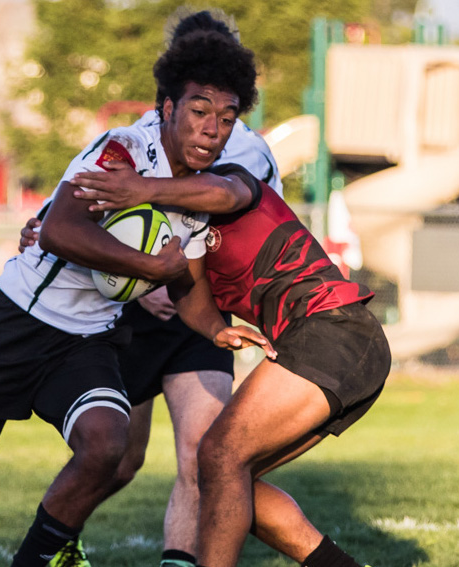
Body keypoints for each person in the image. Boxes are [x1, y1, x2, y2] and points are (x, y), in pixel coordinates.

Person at [0, 22, 269, 567]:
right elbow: (60, 231)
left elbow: (184, 281)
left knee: (107, 443)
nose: (212, 129)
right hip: (15, 323)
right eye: (199, 111)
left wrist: (217, 327)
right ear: (166, 108)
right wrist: (148, 264)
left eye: (226, 117)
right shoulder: (123, 151)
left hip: (87, 340)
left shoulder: (200, 187)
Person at [44, 158, 389, 567]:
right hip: (334, 344)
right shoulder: (177, 230)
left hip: (334, 328)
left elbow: (224, 192)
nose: (212, 131)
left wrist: (141, 187)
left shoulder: (231, 181)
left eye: (224, 118)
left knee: (219, 455)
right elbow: (191, 296)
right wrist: (215, 329)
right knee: (226, 479)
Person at [39, 12, 282, 567]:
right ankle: (59, 539)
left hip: (198, 314)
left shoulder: (250, 150)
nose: (210, 122)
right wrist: (44, 223)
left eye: (224, 105)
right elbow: (86, 196)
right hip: (129, 317)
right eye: (199, 101)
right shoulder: (145, 135)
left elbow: (228, 208)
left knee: (203, 454)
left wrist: (173, 272)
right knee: (118, 458)